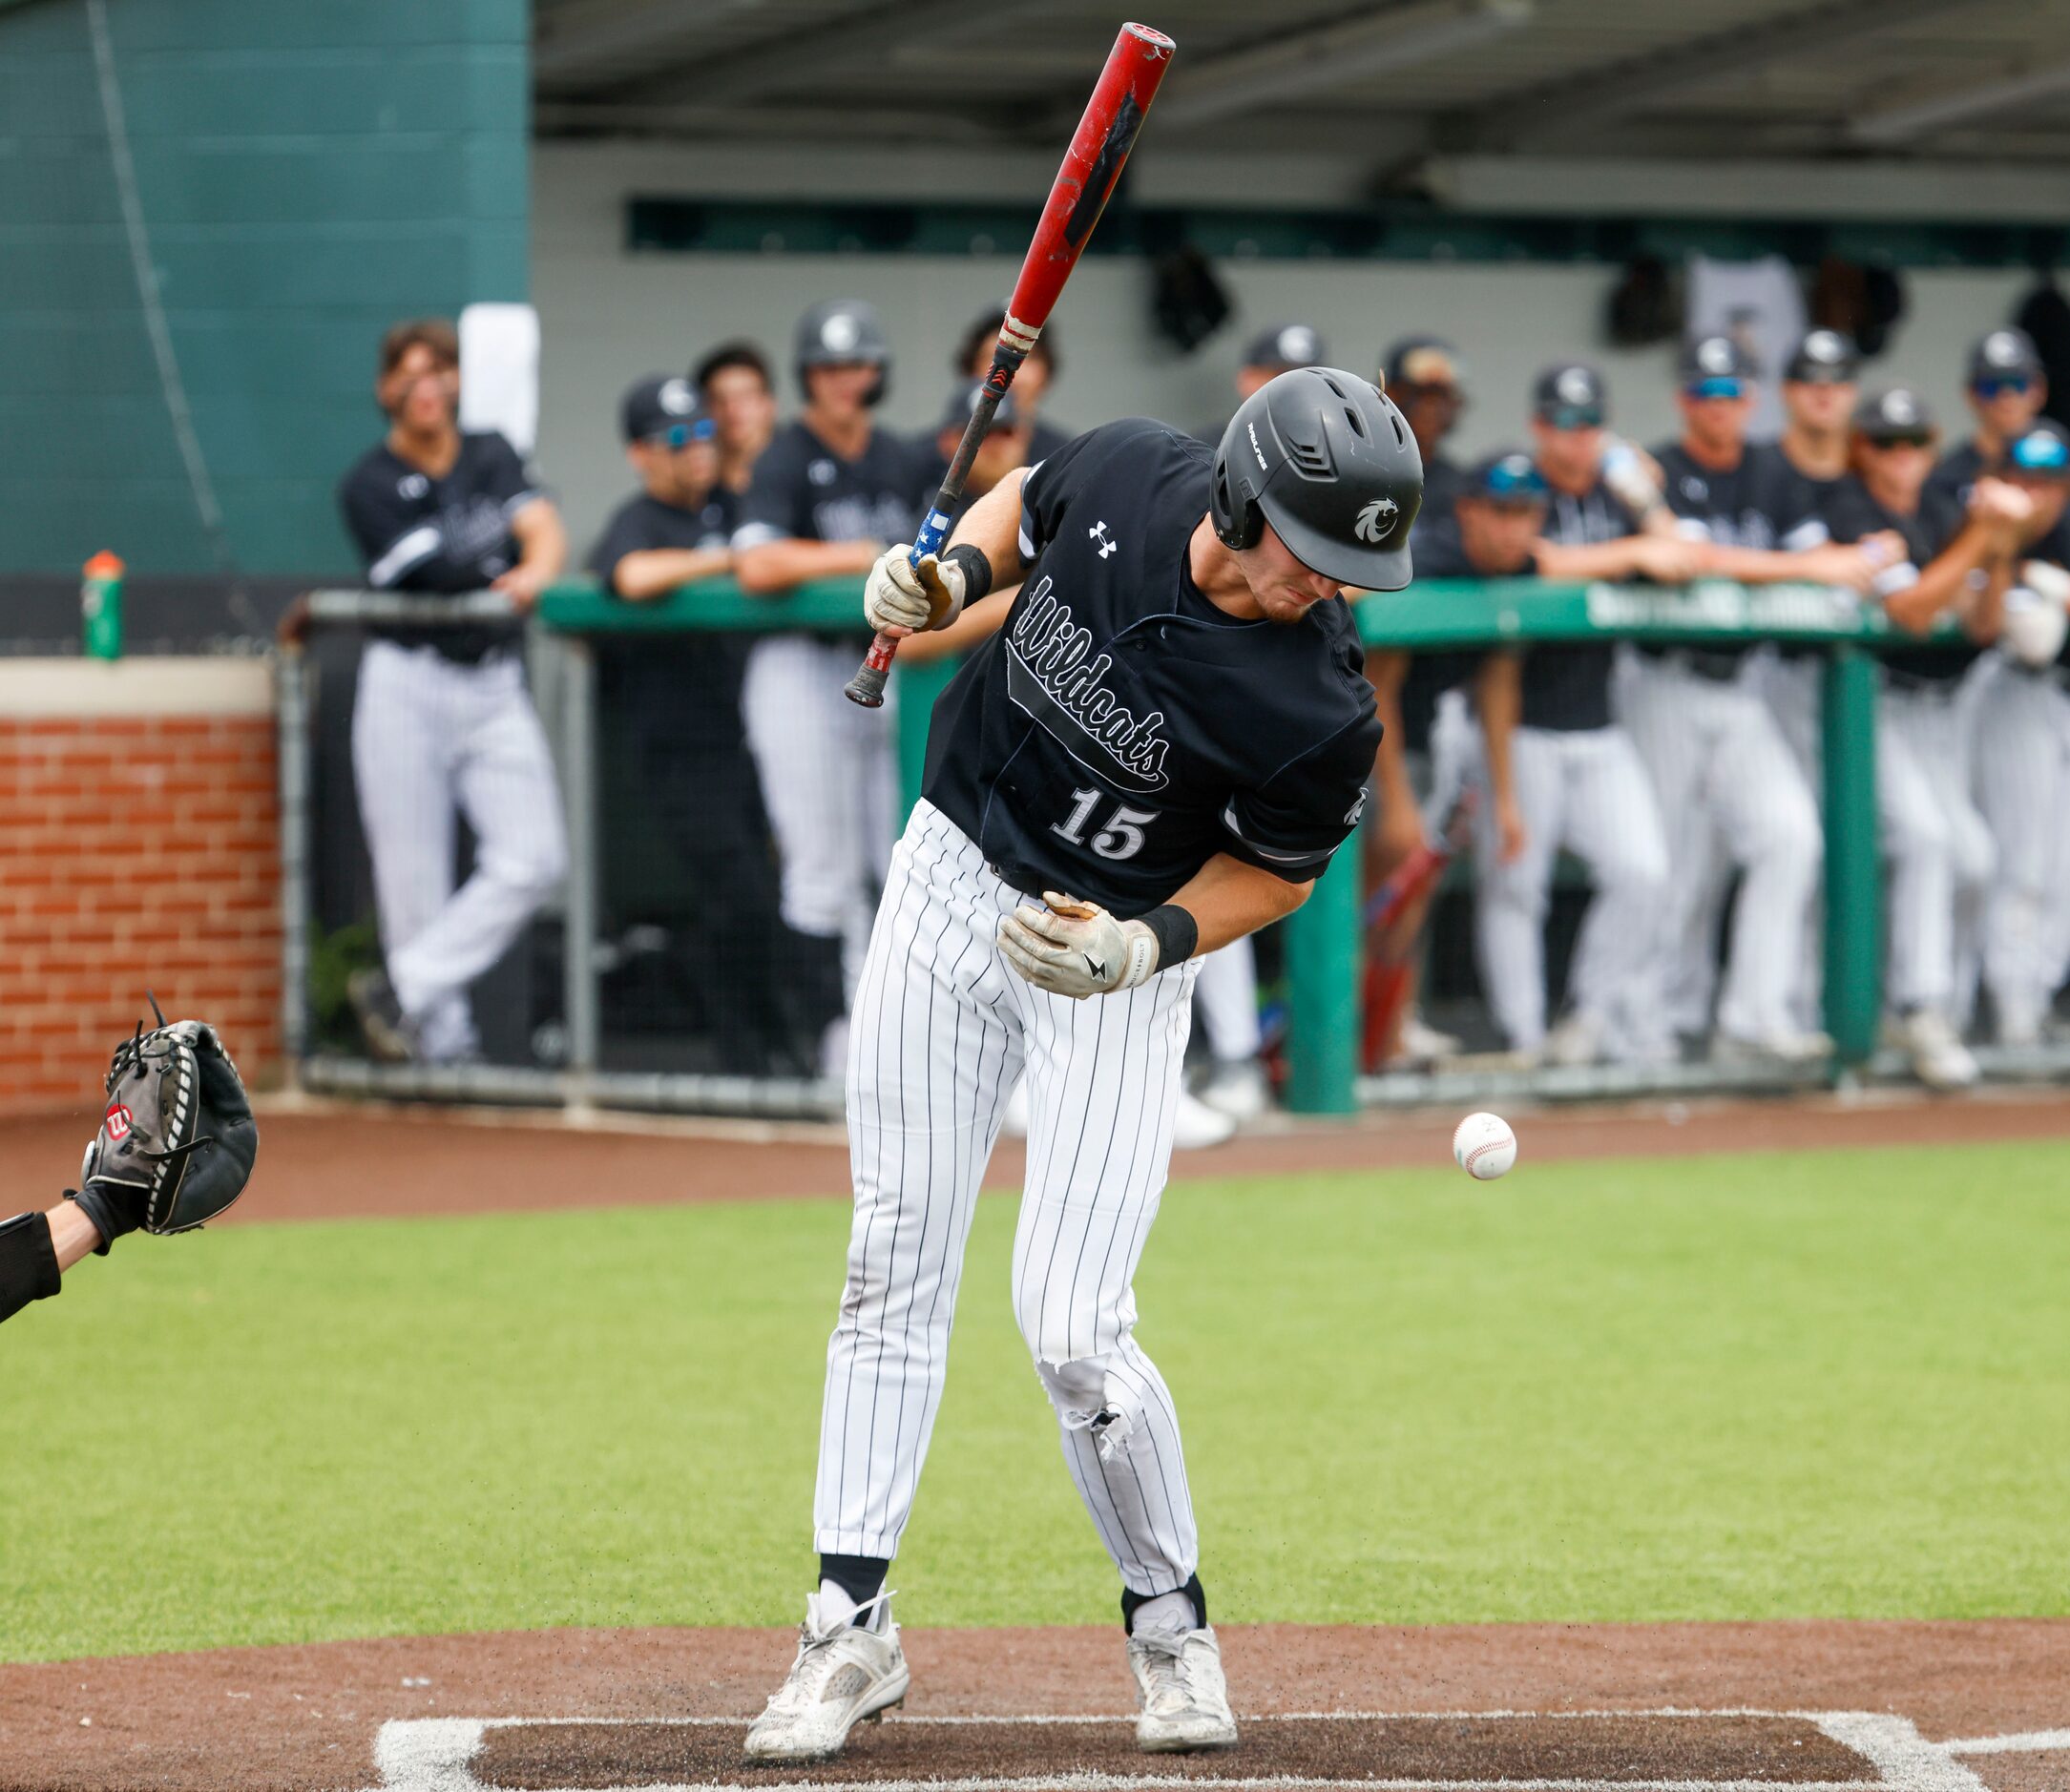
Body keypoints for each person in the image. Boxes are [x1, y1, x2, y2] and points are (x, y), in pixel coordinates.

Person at [741, 368, 1418, 1764]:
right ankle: (846, 1622)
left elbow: (1278, 877)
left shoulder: (1319, 705)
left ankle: (1169, 1622)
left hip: (1105, 961)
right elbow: (1023, 509)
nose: (1332, 584)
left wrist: (1144, 943)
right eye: (1317, 545)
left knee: (1071, 1328)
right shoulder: (1124, 469)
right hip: (948, 872)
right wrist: (946, 583)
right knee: (889, 1260)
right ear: (1240, 498)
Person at [1623, 334, 1881, 1062]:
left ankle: (1750, 1013)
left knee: (1789, 835)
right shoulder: (1662, 469)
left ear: (1751, 397)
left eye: (1732, 391)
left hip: (1741, 689)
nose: (1721, 405)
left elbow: (1818, 562)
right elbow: (1700, 560)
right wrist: (1804, 567)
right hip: (1665, 682)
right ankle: (1642, 1029)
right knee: (1671, 869)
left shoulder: (1772, 469)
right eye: (1707, 392)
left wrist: (1825, 563)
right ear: (1683, 400)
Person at [335, 319, 570, 1064]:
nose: (425, 384)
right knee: (414, 886)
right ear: (385, 391)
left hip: (493, 682)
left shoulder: (490, 452)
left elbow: (542, 529)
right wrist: (506, 576)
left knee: (535, 858)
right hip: (409, 681)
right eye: (407, 373)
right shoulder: (367, 483)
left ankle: (400, 987)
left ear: (457, 382)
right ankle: (444, 1055)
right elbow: (437, 573)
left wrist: (533, 572)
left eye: (438, 369)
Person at [732, 300, 928, 1075]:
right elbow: (757, 565)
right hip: (801, 668)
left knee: (897, 858)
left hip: (887, 668)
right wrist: (859, 554)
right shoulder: (784, 455)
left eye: (856, 365)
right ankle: (831, 1043)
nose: (844, 381)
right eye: (828, 368)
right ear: (806, 376)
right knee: (820, 871)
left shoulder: (902, 457)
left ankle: (887, 1033)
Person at [1822, 387, 2026, 1083]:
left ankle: (1936, 1004)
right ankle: (1918, 1005)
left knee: (1973, 855)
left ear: (1930, 447)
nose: (1899, 457)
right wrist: (1977, 536)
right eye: (1884, 443)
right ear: (1863, 449)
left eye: (1911, 443)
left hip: (1944, 706)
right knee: (1925, 839)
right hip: (1871, 699)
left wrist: (1999, 545)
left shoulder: (1941, 506)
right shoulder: (1851, 508)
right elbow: (1910, 610)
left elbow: (1982, 623)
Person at [1444, 447, 1674, 1065]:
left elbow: (1679, 559)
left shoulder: (1607, 507)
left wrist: (1642, 507)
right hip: (1520, 733)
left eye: (1524, 511)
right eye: (1503, 511)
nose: (1514, 523)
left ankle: (1587, 1015)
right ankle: (1521, 1037)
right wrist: (1505, 794)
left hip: (1598, 728)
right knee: (1515, 884)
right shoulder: (1487, 553)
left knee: (1643, 871)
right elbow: (1501, 665)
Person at [588, 376, 788, 1071]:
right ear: (641, 453)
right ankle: (743, 1064)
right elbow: (629, 576)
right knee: (739, 896)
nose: (695, 448)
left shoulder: (737, 504)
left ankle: (780, 1053)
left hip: (755, 739)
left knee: (777, 899)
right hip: (679, 749)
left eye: (702, 431)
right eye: (676, 437)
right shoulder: (639, 518)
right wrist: (728, 560)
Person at [1971, 420, 2070, 1046]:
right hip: (2009, 694)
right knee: (2020, 861)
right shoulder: (1987, 532)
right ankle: (2011, 1011)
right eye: (2023, 481)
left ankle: (2038, 1000)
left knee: (2061, 869)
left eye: (2049, 483)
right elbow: (2034, 643)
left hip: (2058, 703)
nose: (2035, 495)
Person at [1928, 327, 2050, 509]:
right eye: (1991, 386)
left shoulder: (2060, 460)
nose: (2006, 396)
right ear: (1971, 394)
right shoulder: (1947, 476)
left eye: (2018, 383)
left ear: (2039, 390)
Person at [954, 306, 1071, 463]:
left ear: (1046, 374)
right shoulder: (923, 460)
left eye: (1028, 357)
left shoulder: (1067, 457)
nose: (1013, 372)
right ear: (971, 371)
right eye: (996, 356)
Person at [1382, 336, 1471, 518]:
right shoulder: (1359, 469)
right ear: (1390, 394)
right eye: (1421, 394)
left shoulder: (1458, 487)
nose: (1433, 408)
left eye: (1442, 395)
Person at [694, 339, 779, 498]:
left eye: (745, 396)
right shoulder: (694, 497)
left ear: (769, 404)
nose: (732, 410)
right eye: (719, 400)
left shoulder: (804, 482)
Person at [1234, 322, 1327, 402]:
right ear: (1249, 378)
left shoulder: (1336, 422)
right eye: (1281, 375)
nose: (1295, 387)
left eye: (1308, 378)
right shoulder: (1232, 423)